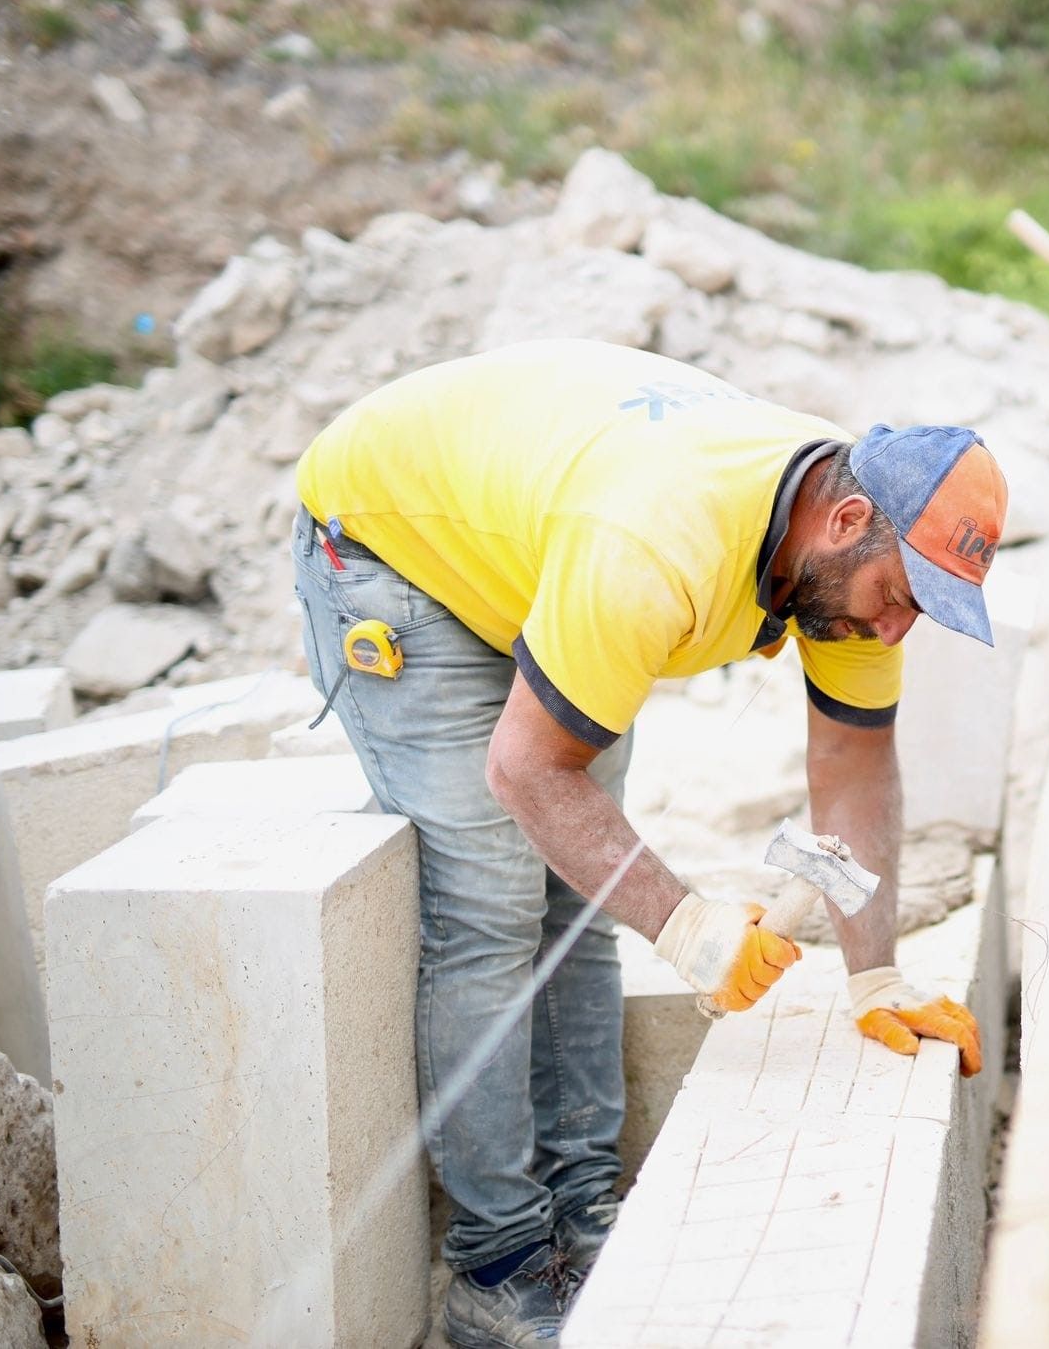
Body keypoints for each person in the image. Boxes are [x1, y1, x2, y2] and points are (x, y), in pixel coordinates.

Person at [290, 338, 1002, 1348]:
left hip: (544, 534)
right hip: (393, 545)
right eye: (900, 597)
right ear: (845, 521)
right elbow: (528, 771)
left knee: (578, 899)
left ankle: (583, 1212)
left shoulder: (840, 554)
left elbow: (852, 767)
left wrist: (874, 974)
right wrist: (688, 925)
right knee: (493, 900)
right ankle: (495, 1267)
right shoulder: (660, 543)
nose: (894, 634)